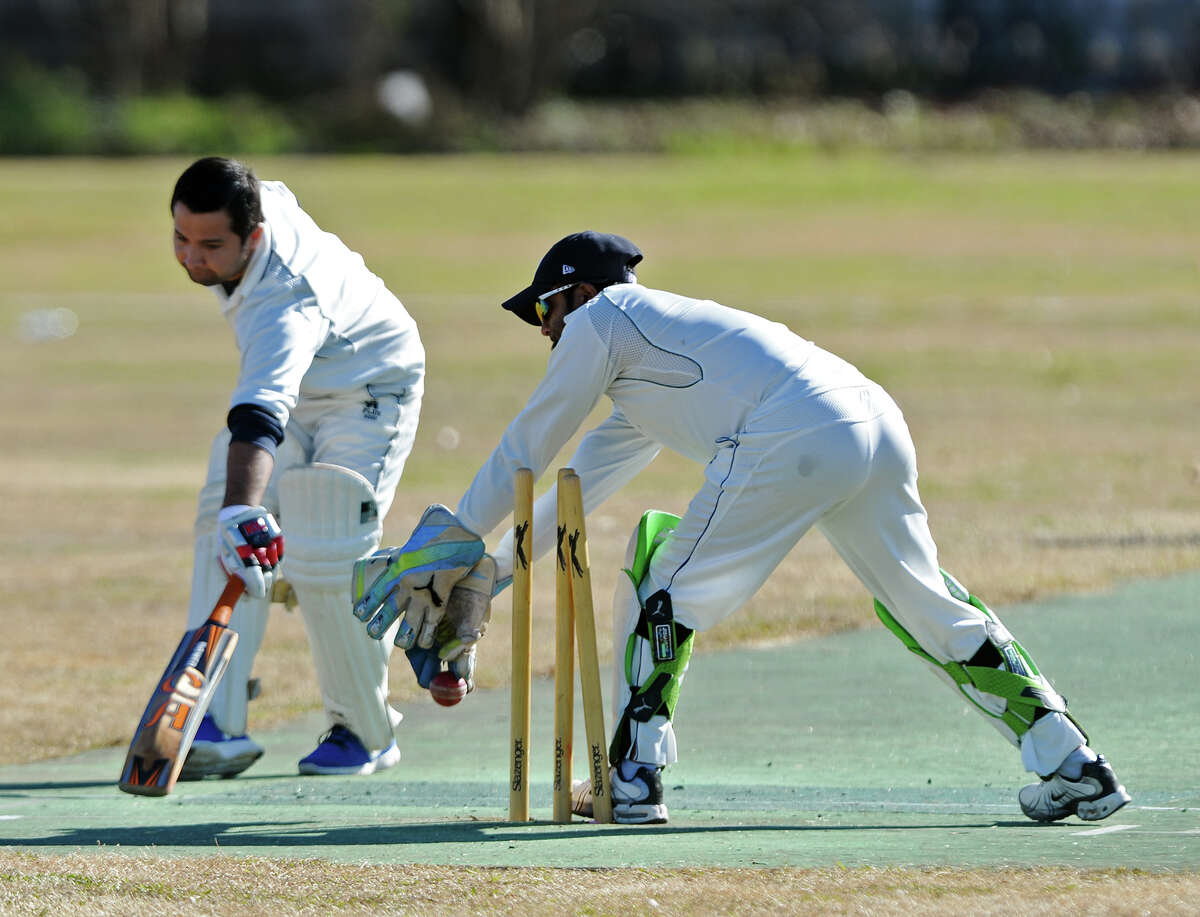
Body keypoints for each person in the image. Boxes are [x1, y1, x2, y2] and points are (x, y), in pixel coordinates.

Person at [349, 231, 1129, 825]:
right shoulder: (653, 364)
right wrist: (492, 570)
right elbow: (574, 489)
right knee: (926, 604)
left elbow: (529, 440)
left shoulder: (604, 319)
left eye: (544, 311)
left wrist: (450, 538)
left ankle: (632, 778)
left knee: (660, 582)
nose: (544, 332)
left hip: (795, 427)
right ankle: (1072, 759)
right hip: (870, 417)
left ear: (579, 293)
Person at [170, 157, 425, 779]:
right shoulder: (252, 202)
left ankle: (365, 732)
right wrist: (234, 515)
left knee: (326, 547)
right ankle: (214, 719)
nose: (192, 258)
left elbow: (259, 413)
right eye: (181, 238)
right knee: (219, 530)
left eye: (211, 245)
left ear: (253, 236)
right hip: (304, 385)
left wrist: (244, 509)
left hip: (370, 386)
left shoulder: (283, 298)